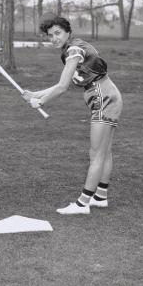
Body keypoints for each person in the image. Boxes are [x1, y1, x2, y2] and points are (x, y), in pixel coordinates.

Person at [23, 15, 122, 215]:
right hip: (107, 95)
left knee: (96, 153)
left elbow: (62, 87)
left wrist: (41, 102)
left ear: (68, 32)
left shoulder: (74, 50)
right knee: (104, 150)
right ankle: (100, 197)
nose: (54, 38)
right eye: (50, 35)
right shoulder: (74, 48)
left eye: (58, 33)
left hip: (103, 98)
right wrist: (36, 94)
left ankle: (82, 203)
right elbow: (64, 82)